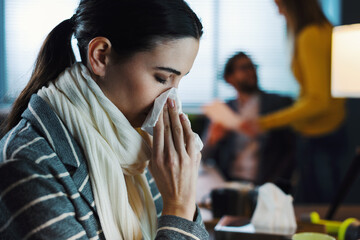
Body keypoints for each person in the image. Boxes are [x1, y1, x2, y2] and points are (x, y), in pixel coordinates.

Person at [0, 0, 209, 239]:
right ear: (100, 56)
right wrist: (180, 207)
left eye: (179, 81)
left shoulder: (137, 151)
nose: (172, 99)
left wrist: (183, 199)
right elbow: (179, 223)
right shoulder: (27, 166)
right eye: (162, 78)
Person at [243, 0, 347, 203]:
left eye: (279, 5)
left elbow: (318, 101)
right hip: (332, 130)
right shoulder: (326, 30)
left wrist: (264, 122)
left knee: (318, 207)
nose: (278, 12)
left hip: (320, 136)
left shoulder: (310, 35)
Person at [202, 52, 296, 191]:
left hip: (266, 182)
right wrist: (212, 140)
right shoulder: (224, 110)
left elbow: (291, 150)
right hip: (230, 182)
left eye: (253, 67)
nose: (251, 71)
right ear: (230, 78)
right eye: (244, 68)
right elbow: (204, 157)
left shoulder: (278, 104)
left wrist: (275, 182)